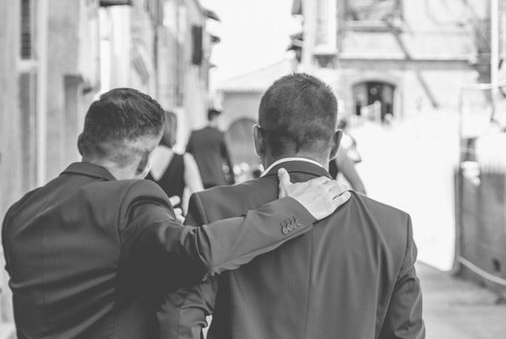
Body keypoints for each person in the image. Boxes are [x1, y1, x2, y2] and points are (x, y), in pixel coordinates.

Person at [1, 88, 350, 339]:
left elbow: (90, 268)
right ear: (145, 159)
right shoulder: (132, 199)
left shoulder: (22, 211)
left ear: (82, 142)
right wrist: (294, 210)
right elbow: (198, 252)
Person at [158, 73, 425, 339]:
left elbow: (178, 318)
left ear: (258, 140)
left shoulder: (213, 208)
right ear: (335, 144)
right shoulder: (392, 227)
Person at [148, 110, 204, 211]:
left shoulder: (142, 159)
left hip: (144, 221)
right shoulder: (185, 159)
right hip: (175, 220)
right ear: (174, 130)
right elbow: (200, 197)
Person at [186, 108, 235, 187]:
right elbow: (228, 158)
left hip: (198, 179)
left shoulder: (194, 134)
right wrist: (232, 179)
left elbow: (187, 156)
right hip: (217, 179)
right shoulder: (220, 135)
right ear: (215, 118)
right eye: (221, 119)